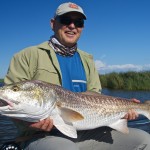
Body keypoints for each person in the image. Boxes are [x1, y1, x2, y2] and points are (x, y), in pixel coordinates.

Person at [4, 2, 150, 150]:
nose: (72, 26)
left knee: (144, 140)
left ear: (82, 28)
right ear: (53, 24)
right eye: (66, 20)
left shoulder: (88, 60)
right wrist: (29, 124)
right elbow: (12, 104)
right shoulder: (27, 56)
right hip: (42, 135)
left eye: (78, 22)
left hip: (90, 132)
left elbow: (97, 98)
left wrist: (125, 108)